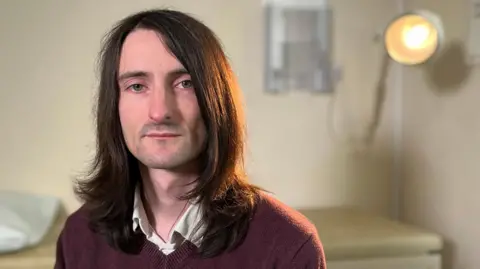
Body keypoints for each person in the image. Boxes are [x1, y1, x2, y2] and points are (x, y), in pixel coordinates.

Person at [54, 8, 326, 269]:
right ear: (114, 106)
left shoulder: (288, 245)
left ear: (216, 101)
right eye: (137, 86)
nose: (160, 112)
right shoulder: (79, 238)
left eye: (185, 83)